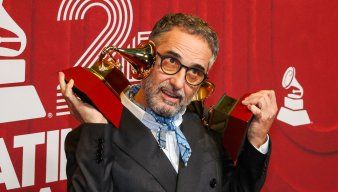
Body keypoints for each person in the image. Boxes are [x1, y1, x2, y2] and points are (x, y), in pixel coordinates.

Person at [59, 13, 278, 192]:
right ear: (146, 58)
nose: (178, 83)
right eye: (171, 61)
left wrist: (257, 139)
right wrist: (96, 127)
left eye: (194, 72)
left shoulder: (202, 128)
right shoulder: (94, 138)